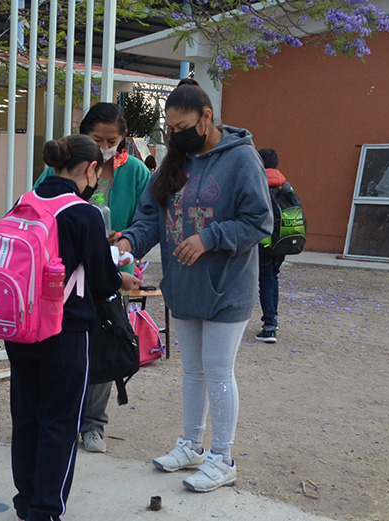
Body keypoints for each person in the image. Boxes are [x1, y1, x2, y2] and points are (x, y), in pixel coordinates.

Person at [115, 78, 272, 492]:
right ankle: (192, 445)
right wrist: (129, 241)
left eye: (182, 126)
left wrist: (209, 238)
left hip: (226, 286)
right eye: (170, 128)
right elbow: (151, 217)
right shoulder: (175, 161)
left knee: (218, 370)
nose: (176, 135)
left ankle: (223, 457)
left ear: (206, 118)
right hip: (183, 285)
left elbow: (259, 221)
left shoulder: (242, 159)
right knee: (193, 370)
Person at [10, 135, 142, 521]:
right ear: (91, 170)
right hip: (64, 333)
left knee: (27, 418)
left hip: (21, 328)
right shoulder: (83, 213)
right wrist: (119, 275)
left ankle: (25, 502)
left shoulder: (24, 202)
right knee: (60, 422)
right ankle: (46, 511)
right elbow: (101, 282)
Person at [35, 102, 151, 454]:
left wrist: (124, 239)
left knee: (104, 347)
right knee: (61, 349)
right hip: (66, 276)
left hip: (113, 272)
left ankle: (93, 424)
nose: (104, 147)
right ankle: (60, 419)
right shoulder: (62, 166)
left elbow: (147, 218)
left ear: (123, 139)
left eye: (111, 141)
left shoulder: (135, 172)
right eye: (97, 140)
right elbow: (41, 208)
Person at [255, 148, 287, 344]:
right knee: (273, 278)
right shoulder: (284, 184)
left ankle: (269, 327)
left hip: (264, 242)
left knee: (265, 281)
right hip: (282, 241)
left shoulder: (259, 184)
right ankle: (273, 319)